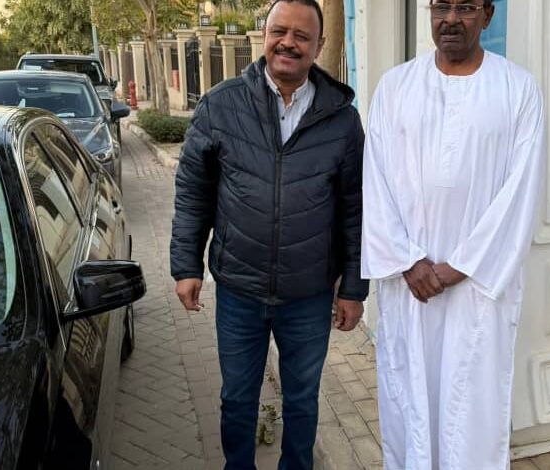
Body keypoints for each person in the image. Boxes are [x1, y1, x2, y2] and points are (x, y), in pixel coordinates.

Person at [170, 0, 369, 468]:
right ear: (265, 35)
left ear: (318, 45)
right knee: (237, 399)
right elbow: (193, 192)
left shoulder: (342, 119)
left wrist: (354, 288)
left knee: (302, 401)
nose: (288, 43)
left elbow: (356, 209)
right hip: (239, 289)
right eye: (280, 31)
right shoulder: (220, 105)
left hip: (309, 295)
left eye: (302, 36)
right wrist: (186, 266)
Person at [360, 0, 545, 468]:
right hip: (409, 286)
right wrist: (408, 260)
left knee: (472, 406)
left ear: (487, 15)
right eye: (441, 5)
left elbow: (522, 190)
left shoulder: (518, 89)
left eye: (465, 7)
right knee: (410, 400)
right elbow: (375, 182)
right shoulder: (395, 87)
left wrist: (459, 267)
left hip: (478, 288)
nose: (451, 19)